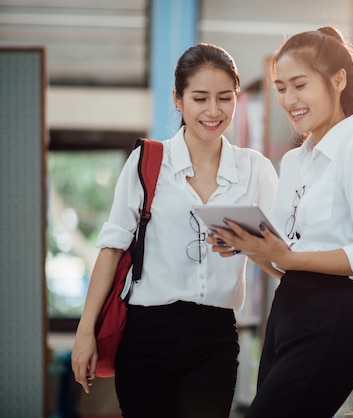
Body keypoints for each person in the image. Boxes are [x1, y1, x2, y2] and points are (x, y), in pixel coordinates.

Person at [209, 26, 353, 418]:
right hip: (288, 314)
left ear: (338, 81)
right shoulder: (296, 160)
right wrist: (249, 244)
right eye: (281, 88)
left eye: (299, 85)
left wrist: (297, 262)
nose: (288, 99)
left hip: (331, 324)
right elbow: (287, 255)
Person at [71, 43, 279, 418]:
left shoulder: (256, 170)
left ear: (237, 98)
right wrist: (85, 332)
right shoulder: (148, 161)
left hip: (214, 337)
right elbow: (112, 247)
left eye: (224, 98)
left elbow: (282, 257)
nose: (213, 111)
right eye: (200, 98)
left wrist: (251, 247)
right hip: (145, 335)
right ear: (178, 100)